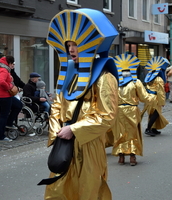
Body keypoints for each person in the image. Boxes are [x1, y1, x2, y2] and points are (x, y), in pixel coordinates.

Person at [42, 8, 119, 200]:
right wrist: (58, 129)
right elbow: (57, 105)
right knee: (58, 190)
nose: (70, 49)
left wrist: (75, 130)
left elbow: (106, 115)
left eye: (74, 44)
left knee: (88, 190)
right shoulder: (70, 74)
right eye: (68, 45)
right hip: (64, 143)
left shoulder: (104, 77)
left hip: (89, 145)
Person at [111, 54, 156, 166]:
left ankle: (121, 156)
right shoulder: (136, 82)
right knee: (133, 133)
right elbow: (144, 97)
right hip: (132, 110)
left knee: (120, 133)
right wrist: (154, 97)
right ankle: (132, 157)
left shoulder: (115, 82)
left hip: (118, 110)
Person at [0, 56, 22, 141]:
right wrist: (10, 86)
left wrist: (9, 80)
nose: (12, 65)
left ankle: (9, 123)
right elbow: (1, 82)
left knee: (18, 105)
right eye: (12, 64)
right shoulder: (4, 70)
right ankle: (1, 136)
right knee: (4, 115)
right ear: (9, 63)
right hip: (4, 96)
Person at [143, 57, 169, 136]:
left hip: (148, 97)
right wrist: (162, 102)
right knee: (156, 113)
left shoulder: (149, 77)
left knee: (151, 113)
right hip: (155, 98)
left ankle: (154, 129)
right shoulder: (159, 79)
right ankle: (148, 129)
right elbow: (160, 92)